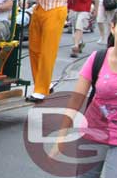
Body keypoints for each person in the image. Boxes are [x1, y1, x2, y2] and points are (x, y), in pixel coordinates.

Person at [51, 12, 117, 178]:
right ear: (113, 27)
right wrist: (61, 136)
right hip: (93, 133)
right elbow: (76, 100)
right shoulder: (98, 59)